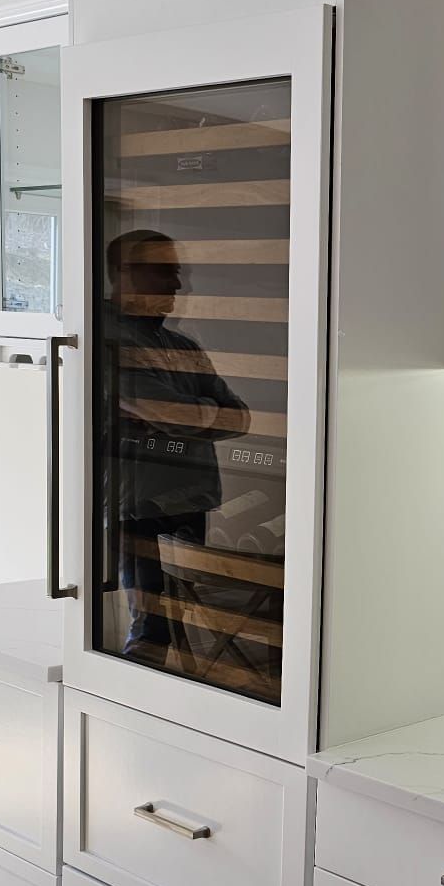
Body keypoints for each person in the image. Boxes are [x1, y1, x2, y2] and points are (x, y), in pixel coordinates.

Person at [102, 228, 249, 662]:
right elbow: (171, 412)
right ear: (124, 273)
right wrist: (196, 414)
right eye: (163, 272)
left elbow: (239, 416)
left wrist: (185, 416)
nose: (177, 285)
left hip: (189, 498)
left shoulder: (180, 344)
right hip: (138, 504)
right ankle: (130, 717)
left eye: (176, 271)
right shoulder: (105, 337)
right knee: (152, 629)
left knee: (185, 619)